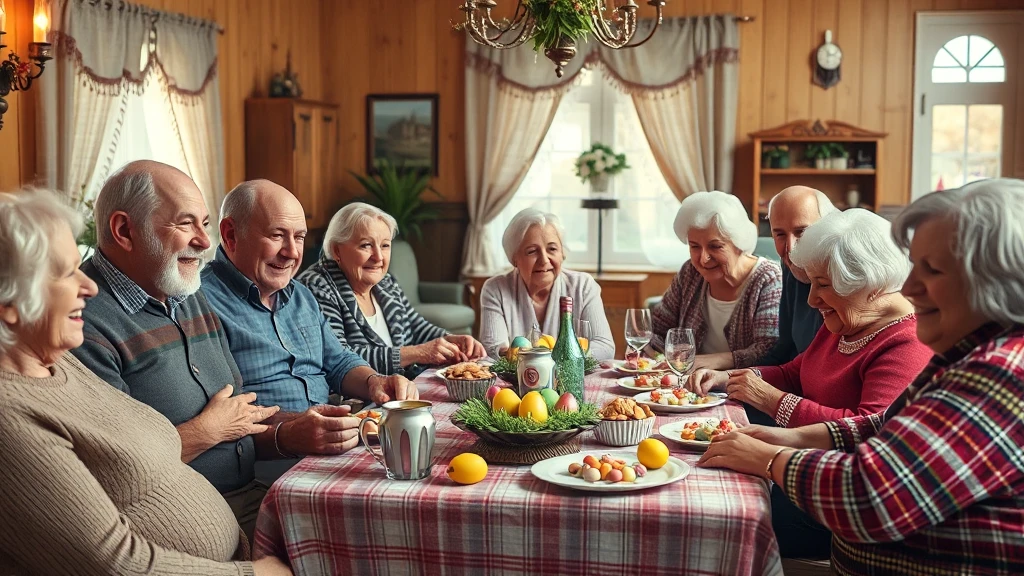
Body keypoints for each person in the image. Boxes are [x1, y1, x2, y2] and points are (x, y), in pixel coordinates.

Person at [698, 178, 1024, 574]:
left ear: (995, 277)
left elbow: (872, 496)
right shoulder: (964, 355)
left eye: (932, 270)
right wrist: (789, 437)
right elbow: (880, 424)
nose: (909, 287)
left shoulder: (1000, 374)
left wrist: (770, 459)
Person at [70, 161, 370, 543]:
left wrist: (294, 431)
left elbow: (240, 417)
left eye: (205, 224)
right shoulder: (80, 322)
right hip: (183, 520)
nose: (204, 242)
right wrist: (205, 431)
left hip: (251, 495)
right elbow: (112, 471)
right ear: (124, 230)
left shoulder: (186, 293)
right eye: (186, 224)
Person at [0, 190, 292, 575]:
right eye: (66, 273)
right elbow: (116, 564)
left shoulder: (57, 362)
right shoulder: (10, 416)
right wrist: (256, 573)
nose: (88, 287)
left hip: (237, 545)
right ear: (8, 303)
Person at [688, 208, 932, 427]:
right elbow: (794, 373)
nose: (812, 300)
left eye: (823, 284)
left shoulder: (908, 343)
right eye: (812, 283)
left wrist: (771, 400)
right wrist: (728, 378)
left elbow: (868, 428)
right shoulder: (846, 322)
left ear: (873, 283)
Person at [298, 202, 485, 378]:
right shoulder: (317, 287)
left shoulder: (385, 282)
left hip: (402, 386)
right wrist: (418, 353)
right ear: (337, 251)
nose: (378, 257)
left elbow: (414, 325)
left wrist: (450, 339)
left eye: (385, 245)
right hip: (358, 396)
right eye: (366, 245)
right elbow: (339, 357)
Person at [650, 191, 782, 369]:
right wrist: (652, 352)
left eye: (715, 246)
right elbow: (657, 330)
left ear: (739, 244)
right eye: (695, 246)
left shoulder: (769, 279)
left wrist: (708, 361)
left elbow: (768, 351)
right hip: (686, 383)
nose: (703, 258)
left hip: (741, 383)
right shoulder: (690, 272)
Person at [479, 208, 615, 360]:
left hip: (573, 376)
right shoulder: (496, 289)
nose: (544, 260)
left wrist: (545, 358)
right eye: (532, 251)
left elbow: (604, 347)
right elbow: (493, 350)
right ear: (514, 258)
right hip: (518, 377)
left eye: (552, 249)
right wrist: (567, 356)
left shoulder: (583, 286)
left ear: (562, 253)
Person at [759, 186, 837, 365]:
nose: (791, 248)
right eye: (780, 234)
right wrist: (732, 375)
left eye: (802, 232)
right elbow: (784, 349)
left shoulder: (843, 277)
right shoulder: (790, 266)